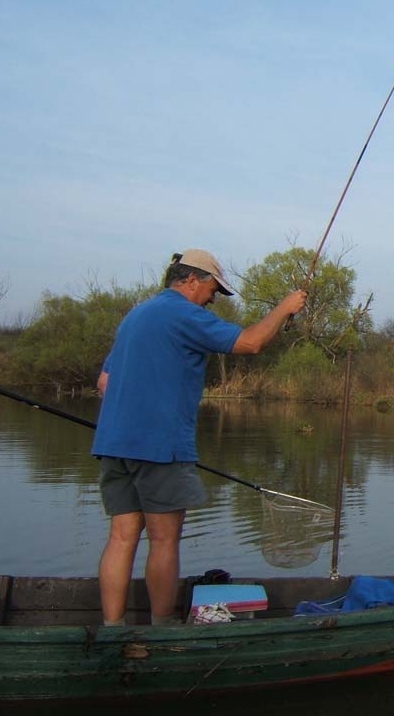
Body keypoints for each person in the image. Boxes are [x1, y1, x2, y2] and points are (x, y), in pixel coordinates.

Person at [92, 249, 306, 626]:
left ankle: (112, 630)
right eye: (212, 290)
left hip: (113, 443)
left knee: (121, 538)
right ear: (191, 280)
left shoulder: (135, 316)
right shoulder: (183, 314)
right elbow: (250, 343)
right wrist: (285, 308)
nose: (213, 299)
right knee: (163, 539)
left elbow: (104, 382)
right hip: (161, 446)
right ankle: (162, 630)